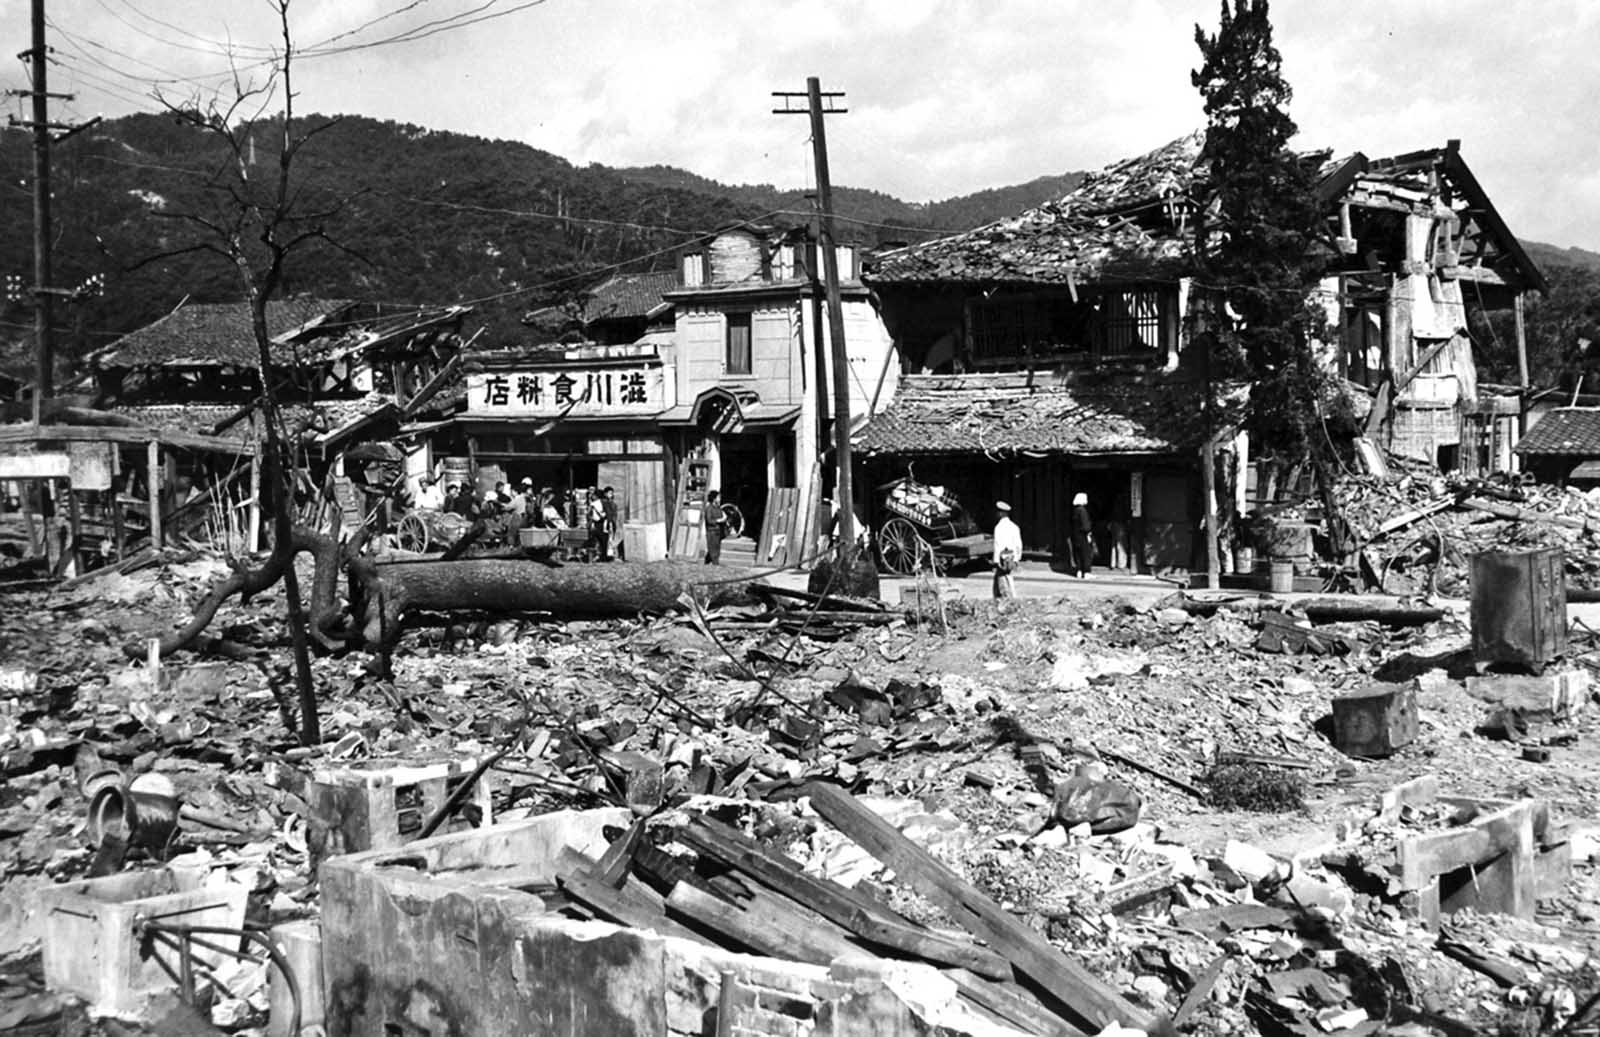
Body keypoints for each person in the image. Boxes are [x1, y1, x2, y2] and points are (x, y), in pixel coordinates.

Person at [992, 500, 1022, 599]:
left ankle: (1009, 599)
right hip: (1011, 556)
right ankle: (1002, 598)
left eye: (998, 512)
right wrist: (1017, 559)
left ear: (1001, 513)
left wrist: (996, 561)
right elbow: (1018, 545)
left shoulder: (998, 527)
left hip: (1002, 557)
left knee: (1003, 582)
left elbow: (998, 545)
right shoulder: (1014, 527)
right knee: (1005, 578)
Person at [1071, 491, 1094, 578]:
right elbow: (1086, 525)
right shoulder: (1083, 511)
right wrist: (1089, 532)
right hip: (1083, 536)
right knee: (1086, 553)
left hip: (1076, 535)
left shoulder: (1075, 511)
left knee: (1078, 554)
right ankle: (1087, 572)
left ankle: (1079, 571)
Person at [704, 489, 728, 565]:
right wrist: (719, 520)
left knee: (716, 549)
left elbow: (722, 517)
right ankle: (715, 565)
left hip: (718, 532)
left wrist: (725, 518)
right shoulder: (709, 508)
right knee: (713, 550)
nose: (719, 499)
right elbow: (709, 520)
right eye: (718, 497)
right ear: (714, 499)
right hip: (712, 532)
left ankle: (708, 562)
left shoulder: (718, 508)